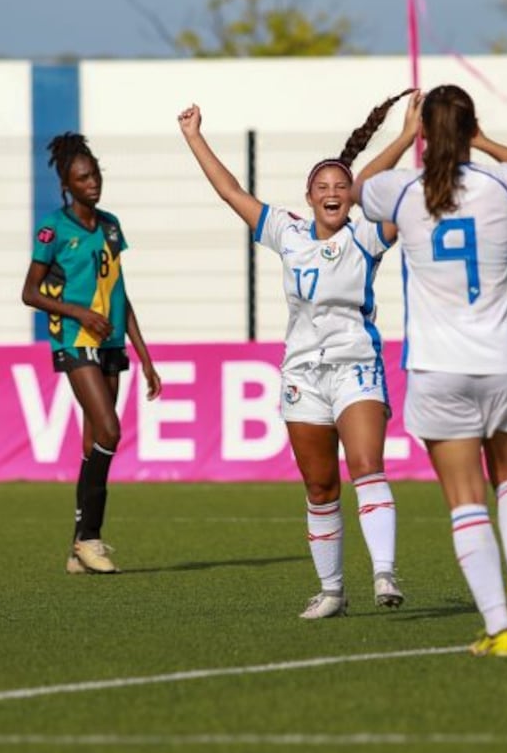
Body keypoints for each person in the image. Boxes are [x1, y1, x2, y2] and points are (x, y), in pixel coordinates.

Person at [178, 90, 420, 619]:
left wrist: (404, 138)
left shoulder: (366, 236)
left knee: (365, 465)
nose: (333, 193)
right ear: (308, 197)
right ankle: (332, 590)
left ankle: (384, 572)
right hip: (303, 375)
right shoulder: (285, 231)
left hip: (357, 366)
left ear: (351, 195)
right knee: (319, 485)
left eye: (341, 187)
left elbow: (380, 188)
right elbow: (230, 192)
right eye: (322, 187)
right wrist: (195, 138)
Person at [357, 84, 507, 658]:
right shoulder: (505, 186)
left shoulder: (403, 192)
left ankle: (499, 631)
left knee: (465, 501)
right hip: (503, 363)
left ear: (424, 134)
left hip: (437, 369)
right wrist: (487, 140)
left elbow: (360, 187)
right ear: (470, 128)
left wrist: (401, 135)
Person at [21, 132, 163, 575]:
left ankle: (76, 549)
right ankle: (91, 538)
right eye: (82, 178)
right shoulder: (53, 228)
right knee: (111, 430)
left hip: (112, 341)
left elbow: (120, 291)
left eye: (95, 174)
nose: (91, 183)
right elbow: (29, 293)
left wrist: (145, 356)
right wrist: (77, 312)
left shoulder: (110, 225)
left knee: (93, 444)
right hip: (75, 339)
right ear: (67, 185)